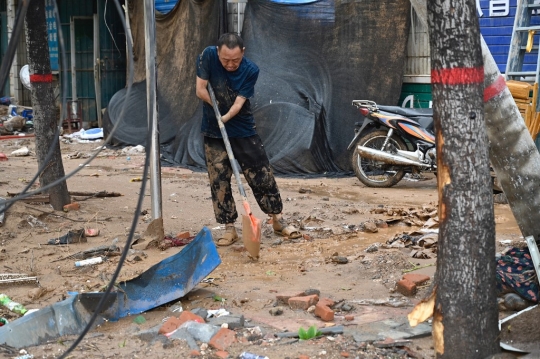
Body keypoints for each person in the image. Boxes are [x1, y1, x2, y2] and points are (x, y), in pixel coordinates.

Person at [195, 33, 301, 246]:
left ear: (243, 53)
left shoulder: (250, 70)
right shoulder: (208, 56)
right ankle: (229, 228)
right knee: (219, 180)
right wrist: (216, 115)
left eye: (235, 60)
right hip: (213, 130)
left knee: (261, 174)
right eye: (225, 60)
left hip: (242, 128)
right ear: (218, 53)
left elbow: (238, 104)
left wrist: (224, 117)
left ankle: (278, 220)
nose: (230, 64)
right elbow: (200, 89)